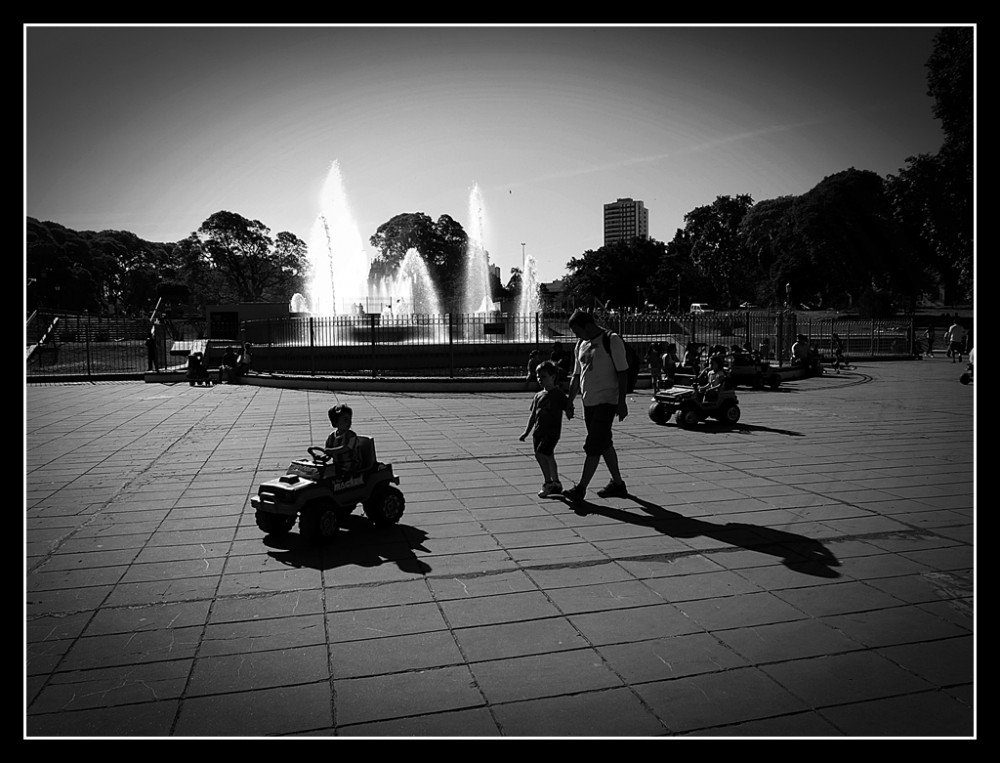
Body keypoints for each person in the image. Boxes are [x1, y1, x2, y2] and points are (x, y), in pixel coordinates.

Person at [561, 309, 629, 504]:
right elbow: (576, 375)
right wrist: (570, 401)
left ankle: (580, 488)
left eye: (577, 331)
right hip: (589, 403)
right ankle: (618, 484)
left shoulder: (611, 339)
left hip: (607, 402)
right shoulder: (581, 344)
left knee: (593, 445)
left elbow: (623, 372)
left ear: (588, 326)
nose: (576, 335)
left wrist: (622, 401)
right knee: (604, 443)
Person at [519, 360, 573, 498]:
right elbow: (533, 416)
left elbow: (568, 409)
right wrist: (526, 432)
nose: (539, 379)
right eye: (538, 376)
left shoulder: (558, 394)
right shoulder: (538, 396)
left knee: (540, 454)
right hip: (538, 432)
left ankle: (548, 482)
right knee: (548, 456)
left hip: (552, 432)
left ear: (553, 377)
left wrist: (569, 409)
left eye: (543, 376)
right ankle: (556, 482)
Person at [324, 404, 360, 476]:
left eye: (350, 419)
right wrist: (325, 457)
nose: (349, 422)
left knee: (338, 475)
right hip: (337, 465)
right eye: (345, 420)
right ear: (335, 422)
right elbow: (329, 452)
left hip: (350, 466)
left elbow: (346, 448)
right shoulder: (331, 437)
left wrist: (331, 451)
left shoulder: (351, 436)